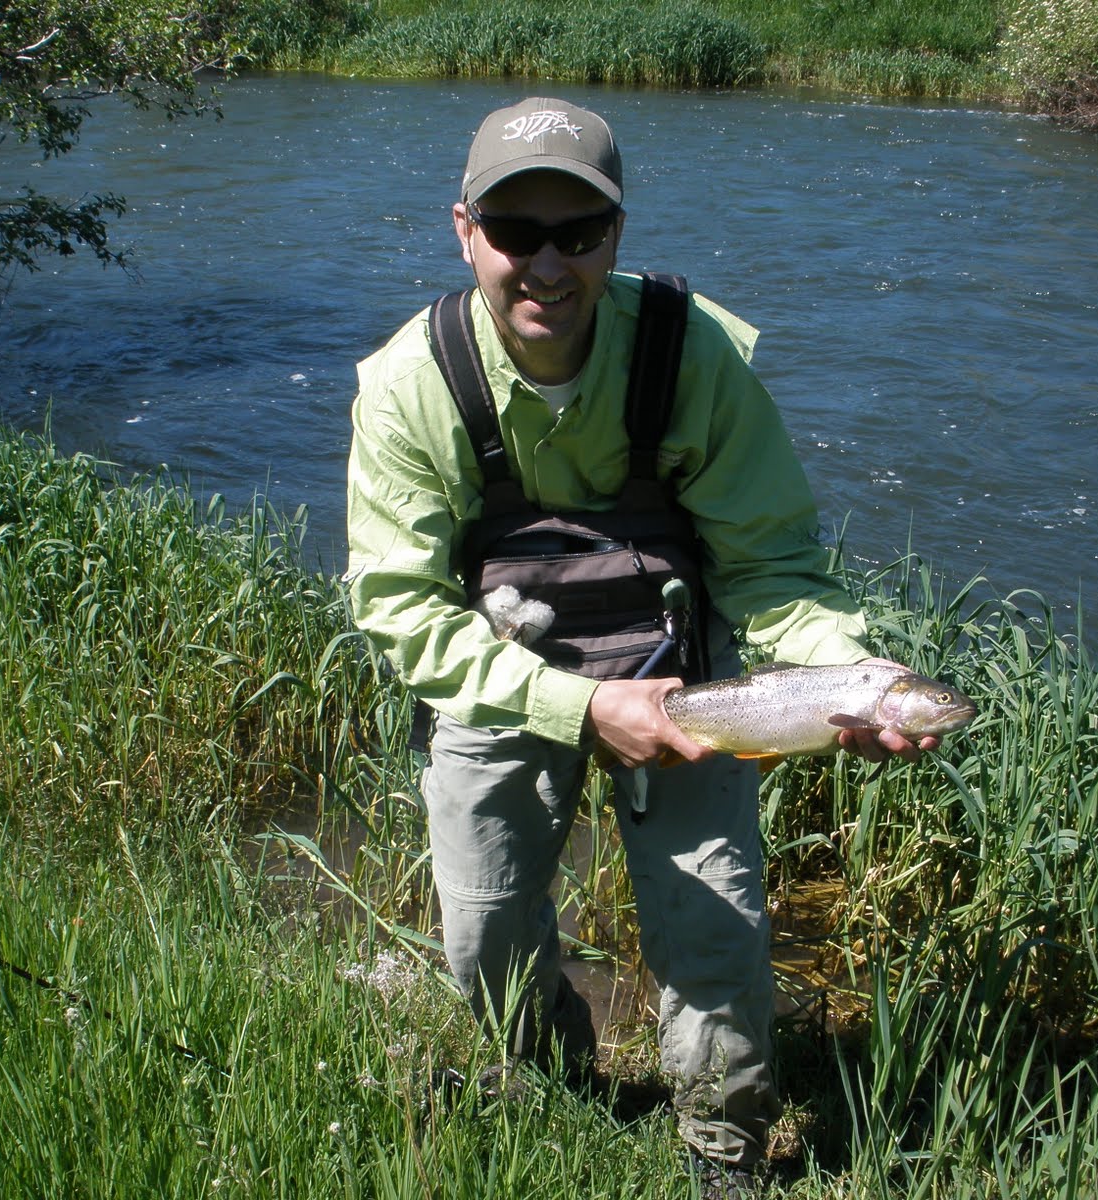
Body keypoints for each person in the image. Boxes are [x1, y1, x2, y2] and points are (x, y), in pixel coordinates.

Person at [344, 96, 936, 1193]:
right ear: (464, 228)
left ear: (618, 232)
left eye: (582, 233)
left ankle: (724, 1147)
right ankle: (556, 1078)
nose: (549, 266)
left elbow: (770, 570)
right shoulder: (410, 382)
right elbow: (404, 611)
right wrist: (579, 708)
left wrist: (864, 679)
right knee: (482, 936)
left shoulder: (693, 351)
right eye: (517, 234)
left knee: (713, 937)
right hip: (500, 673)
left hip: (685, 674)